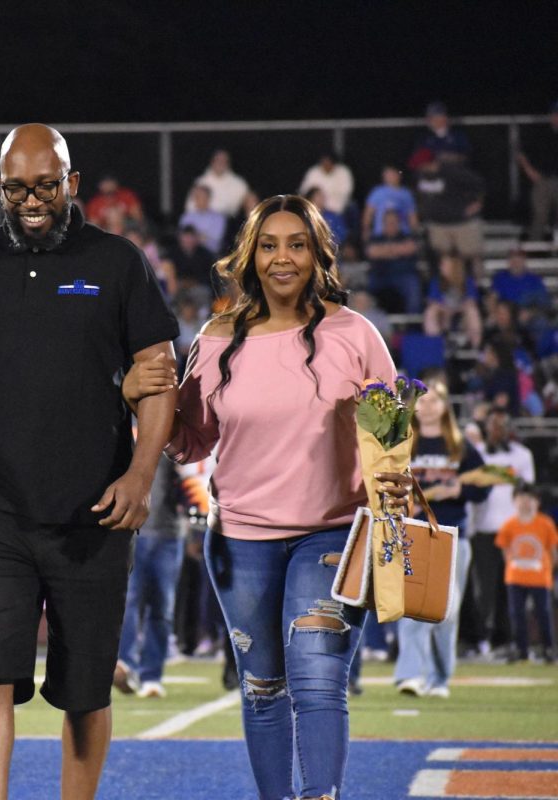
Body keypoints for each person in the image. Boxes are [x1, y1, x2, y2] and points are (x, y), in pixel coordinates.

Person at [0, 123, 179, 800]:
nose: (32, 199)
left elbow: (159, 371)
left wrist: (141, 474)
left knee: (85, 693)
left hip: (96, 508)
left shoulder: (117, 261)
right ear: (0, 187)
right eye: (17, 187)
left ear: (71, 184)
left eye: (46, 185)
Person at [129, 194, 411, 800]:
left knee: (316, 681)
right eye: (269, 244)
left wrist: (392, 458)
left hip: (333, 533)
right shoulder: (215, 338)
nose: (283, 258)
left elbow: (394, 431)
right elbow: (190, 443)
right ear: (250, 255)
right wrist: (143, 402)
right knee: (261, 690)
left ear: (317, 255)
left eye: (297, 244)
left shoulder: (355, 334)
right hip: (240, 540)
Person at [395, 376, 490, 698]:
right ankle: (410, 675)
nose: (428, 406)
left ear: (445, 406)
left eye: (435, 399)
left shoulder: (460, 444)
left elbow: (487, 485)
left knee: (445, 611)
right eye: (422, 399)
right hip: (415, 535)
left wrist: (462, 487)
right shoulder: (404, 442)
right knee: (411, 606)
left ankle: (439, 678)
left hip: (453, 537)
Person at [114, 458, 185, 699]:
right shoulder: (122, 428)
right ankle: (126, 666)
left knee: (162, 608)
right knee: (129, 602)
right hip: (131, 530)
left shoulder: (171, 435)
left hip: (168, 532)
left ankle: (152, 675)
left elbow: (191, 479)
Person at [469, 409, 536, 654]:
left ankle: (507, 639)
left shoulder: (522, 455)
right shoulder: (478, 453)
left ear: (509, 428)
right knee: (483, 589)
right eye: (492, 425)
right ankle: (482, 639)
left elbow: (527, 487)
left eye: (501, 425)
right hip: (484, 529)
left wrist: (493, 475)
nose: (496, 430)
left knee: (511, 587)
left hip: (514, 529)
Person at [495, 484, 558, 663]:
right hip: (516, 578)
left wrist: (547, 571)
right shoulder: (509, 525)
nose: (525, 503)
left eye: (530, 499)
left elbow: (553, 551)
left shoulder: (545, 523)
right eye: (522, 499)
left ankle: (548, 648)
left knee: (544, 614)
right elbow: (505, 549)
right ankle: (521, 649)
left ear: (537, 502)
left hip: (540, 578)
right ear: (514, 501)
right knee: (516, 614)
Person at [517, 100, 558, 241]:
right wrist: (530, 172)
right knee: (540, 216)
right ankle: (534, 252)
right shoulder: (541, 134)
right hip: (543, 181)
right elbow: (521, 153)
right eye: (556, 114)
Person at [361, 165, 418, 242]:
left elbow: (412, 215)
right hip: (380, 234)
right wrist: (366, 230)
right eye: (387, 174)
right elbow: (368, 213)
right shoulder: (377, 192)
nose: (389, 177)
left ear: (398, 175)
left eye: (392, 174)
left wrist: (415, 232)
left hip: (402, 234)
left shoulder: (406, 194)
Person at [185, 149, 249, 216]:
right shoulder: (200, 182)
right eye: (218, 160)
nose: (220, 163)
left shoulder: (239, 183)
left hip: (230, 221)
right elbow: (189, 207)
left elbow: (248, 203)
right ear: (212, 162)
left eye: (224, 161)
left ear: (228, 164)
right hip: (203, 220)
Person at [179, 184, 227, 253]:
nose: (197, 200)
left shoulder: (218, 218)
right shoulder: (186, 217)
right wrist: (201, 237)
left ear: (208, 198)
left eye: (200, 197)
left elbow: (216, 239)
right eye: (196, 197)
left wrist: (195, 237)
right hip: (190, 254)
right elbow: (183, 238)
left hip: (210, 255)